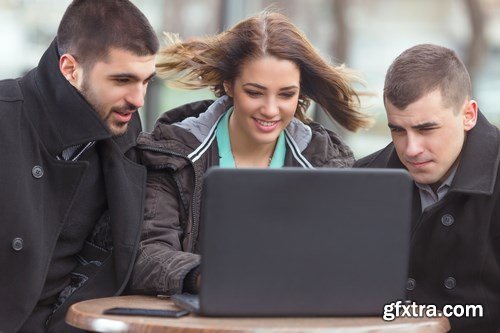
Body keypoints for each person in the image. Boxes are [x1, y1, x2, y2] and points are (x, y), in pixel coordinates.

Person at [130, 10, 369, 297]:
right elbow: (148, 253)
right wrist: (208, 277)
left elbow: (346, 256)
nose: (270, 109)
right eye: (255, 92)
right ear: (229, 86)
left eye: (286, 94)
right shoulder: (174, 153)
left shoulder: (326, 162)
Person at [0, 1, 159, 332]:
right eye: (122, 79)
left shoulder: (125, 127)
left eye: (146, 81)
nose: (138, 98)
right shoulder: (5, 117)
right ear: (70, 68)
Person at [355, 44, 500, 332]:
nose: (411, 149)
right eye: (397, 130)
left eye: (426, 129)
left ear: (468, 114)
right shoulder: (362, 181)